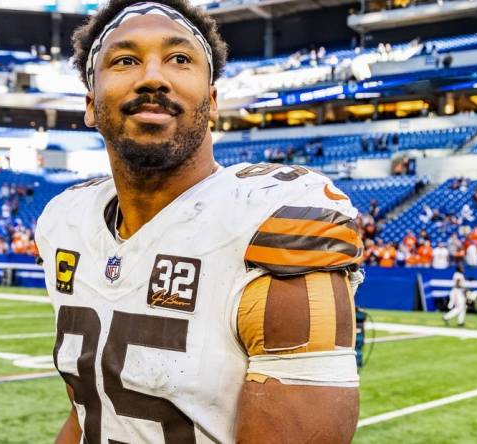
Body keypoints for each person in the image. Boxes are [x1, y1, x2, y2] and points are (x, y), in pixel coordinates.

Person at [33, 2, 363, 442]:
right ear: (91, 105)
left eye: (180, 59)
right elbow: (91, 408)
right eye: (125, 60)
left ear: (211, 103)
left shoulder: (270, 216)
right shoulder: (66, 221)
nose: (153, 77)